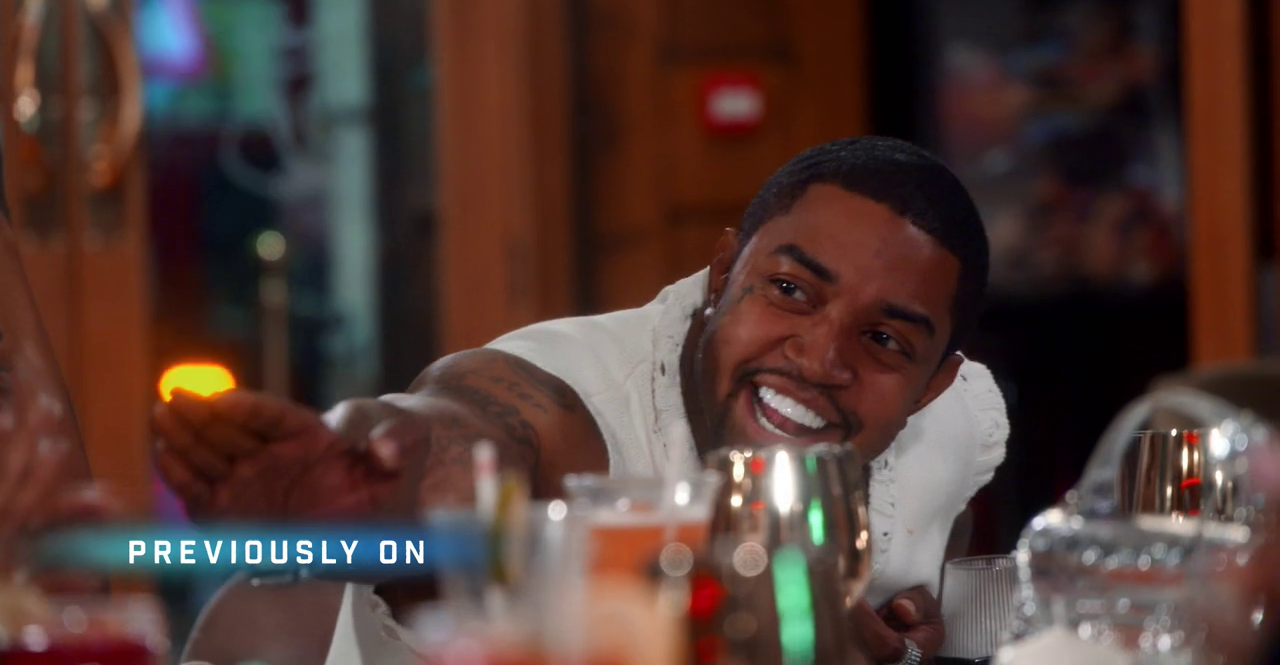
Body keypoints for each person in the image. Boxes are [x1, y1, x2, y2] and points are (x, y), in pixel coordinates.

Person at [156, 136, 1009, 664]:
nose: (820, 360)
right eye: (789, 290)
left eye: (885, 339)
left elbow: (932, 548)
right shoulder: (569, 407)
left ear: (934, 382)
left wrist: (906, 643)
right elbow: (459, 442)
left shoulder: (952, 420)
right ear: (722, 275)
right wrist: (368, 494)